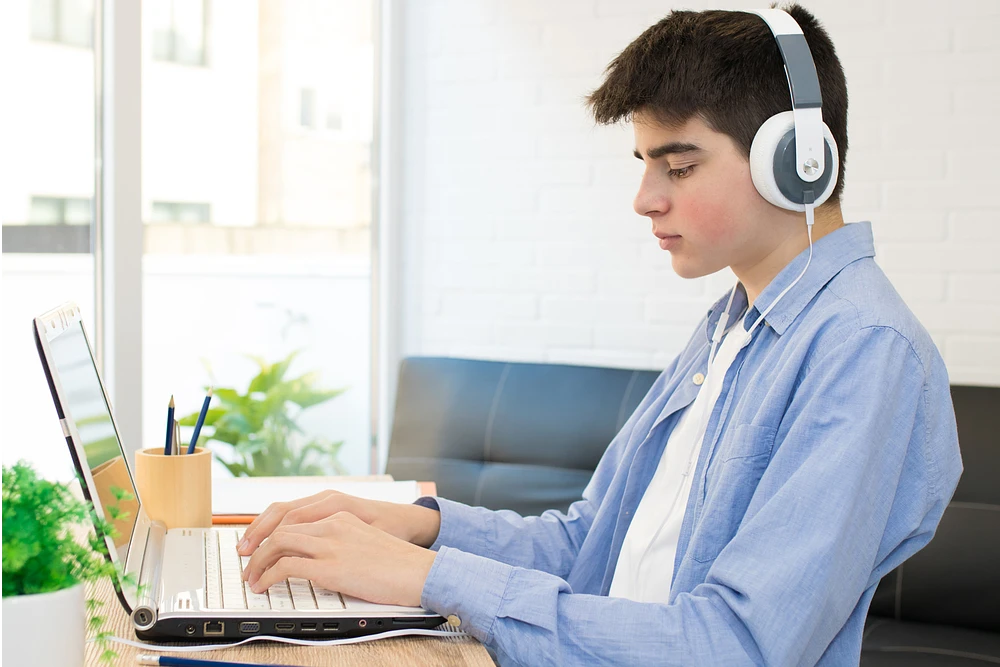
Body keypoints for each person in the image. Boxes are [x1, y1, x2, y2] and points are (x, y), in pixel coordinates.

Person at [238, 5, 963, 665]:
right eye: (646, 166)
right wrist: (419, 528)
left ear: (797, 162)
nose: (645, 199)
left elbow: (737, 646)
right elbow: (592, 544)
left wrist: (430, 577)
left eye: (679, 166)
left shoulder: (864, 350)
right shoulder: (732, 326)